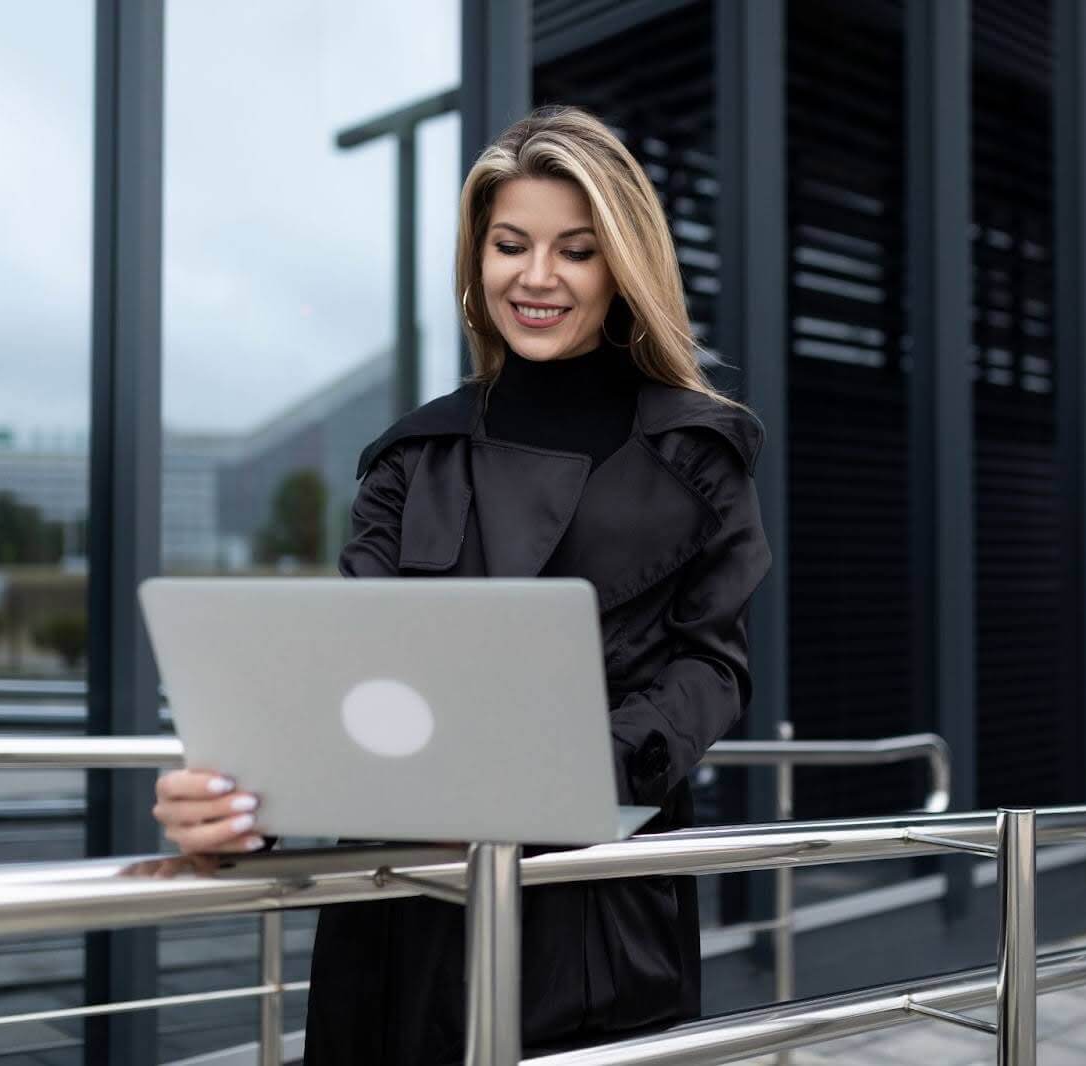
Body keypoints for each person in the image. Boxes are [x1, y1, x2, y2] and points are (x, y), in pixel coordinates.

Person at [150, 104, 772, 1064]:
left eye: (575, 250)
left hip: (589, 908)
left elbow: (713, 667)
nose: (536, 277)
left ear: (622, 265)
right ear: (477, 263)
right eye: (509, 244)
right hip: (399, 910)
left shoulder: (698, 454)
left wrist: (570, 768)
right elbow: (340, 682)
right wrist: (243, 806)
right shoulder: (414, 455)